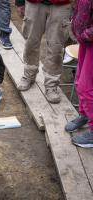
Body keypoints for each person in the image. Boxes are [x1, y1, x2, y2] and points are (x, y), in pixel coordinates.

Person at [15, 0, 71, 103]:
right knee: (30, 42)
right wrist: (19, 2)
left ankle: (51, 84)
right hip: (34, 3)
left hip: (61, 4)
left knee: (56, 47)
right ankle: (29, 75)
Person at [65, 0, 93, 148]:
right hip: (85, 42)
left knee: (86, 88)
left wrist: (84, 35)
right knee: (79, 80)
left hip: (89, 40)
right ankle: (85, 114)